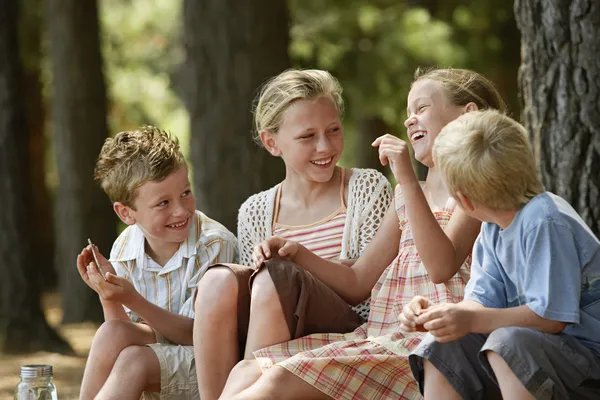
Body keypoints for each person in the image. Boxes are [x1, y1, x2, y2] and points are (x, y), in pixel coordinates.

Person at [224, 68, 506, 400]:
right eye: (407, 112)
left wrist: (405, 177)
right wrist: (296, 252)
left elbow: (441, 267)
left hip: (426, 345)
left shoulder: (475, 191)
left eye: (422, 108)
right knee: (247, 369)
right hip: (378, 337)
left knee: (277, 382)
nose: (409, 120)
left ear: (467, 114)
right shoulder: (406, 197)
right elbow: (359, 282)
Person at [192, 69, 394, 400]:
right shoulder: (256, 211)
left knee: (277, 275)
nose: (325, 146)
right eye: (307, 136)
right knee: (218, 281)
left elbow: (372, 289)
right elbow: (258, 303)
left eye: (333, 130)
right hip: (277, 334)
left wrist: (295, 265)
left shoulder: (366, 188)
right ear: (272, 143)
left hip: (349, 333)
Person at [403, 110, 600, 400]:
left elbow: (551, 319)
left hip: (587, 358)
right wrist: (443, 316)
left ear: (464, 200)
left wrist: (471, 321)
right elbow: (481, 303)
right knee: (443, 343)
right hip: (546, 352)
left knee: (508, 344)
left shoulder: (544, 220)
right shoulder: (493, 228)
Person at [76, 126, 237, 400]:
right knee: (110, 333)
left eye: (185, 193)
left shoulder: (213, 245)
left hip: (211, 365)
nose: (181, 210)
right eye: (163, 203)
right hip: (159, 356)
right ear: (126, 213)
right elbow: (124, 334)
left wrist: (133, 299)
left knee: (134, 361)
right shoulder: (126, 246)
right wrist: (109, 294)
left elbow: (194, 334)